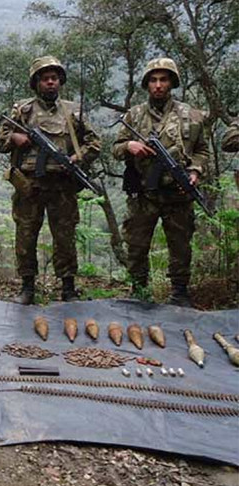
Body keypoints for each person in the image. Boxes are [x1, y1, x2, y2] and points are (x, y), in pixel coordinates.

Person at [0, 55, 101, 304]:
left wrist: (78, 157)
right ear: (36, 83)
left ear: (60, 81)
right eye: (45, 79)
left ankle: (67, 287)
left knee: (64, 236)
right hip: (29, 184)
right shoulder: (22, 110)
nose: (51, 83)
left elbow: (95, 143)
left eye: (54, 78)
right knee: (26, 234)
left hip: (62, 184)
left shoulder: (73, 111)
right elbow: (0, 142)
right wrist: (15, 139)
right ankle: (27, 287)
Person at [113, 58, 209, 307]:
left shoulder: (191, 115)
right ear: (147, 84)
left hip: (177, 194)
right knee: (136, 243)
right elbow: (115, 148)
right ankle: (139, 290)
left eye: (163, 79)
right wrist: (129, 146)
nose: (158, 85)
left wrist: (195, 173)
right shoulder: (134, 115)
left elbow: (202, 151)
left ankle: (179, 292)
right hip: (143, 193)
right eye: (153, 80)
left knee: (180, 245)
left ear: (172, 83)